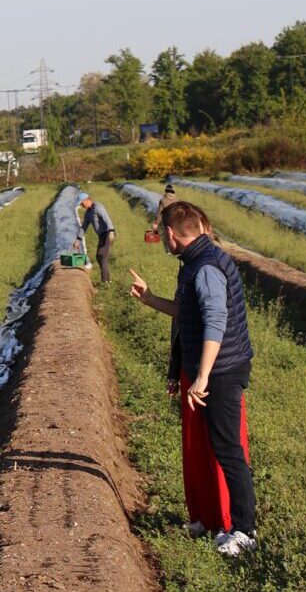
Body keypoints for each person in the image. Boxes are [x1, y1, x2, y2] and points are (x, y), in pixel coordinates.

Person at [128, 201, 258, 557]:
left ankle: (245, 530)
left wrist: (202, 376)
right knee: (202, 446)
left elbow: (215, 321)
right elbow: (187, 314)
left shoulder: (206, 268)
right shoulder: (195, 263)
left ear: (171, 234)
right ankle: (209, 518)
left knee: (229, 450)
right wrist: (151, 299)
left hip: (222, 370)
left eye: (160, 233)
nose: (160, 240)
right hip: (209, 368)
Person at [78, 193, 116, 282]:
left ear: (87, 200)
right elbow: (84, 227)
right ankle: (108, 280)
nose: (81, 205)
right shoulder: (88, 213)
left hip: (107, 233)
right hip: (101, 236)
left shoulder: (98, 207)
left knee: (102, 256)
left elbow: (107, 219)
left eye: (82, 203)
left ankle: (105, 281)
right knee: (99, 257)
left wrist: (111, 232)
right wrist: (78, 239)